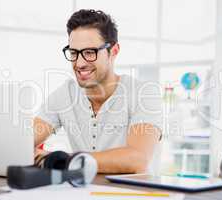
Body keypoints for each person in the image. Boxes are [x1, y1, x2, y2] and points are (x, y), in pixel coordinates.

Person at [34, 9, 162, 174]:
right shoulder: (65, 94)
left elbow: (137, 159)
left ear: (113, 51)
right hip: (84, 192)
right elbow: (23, 141)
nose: (79, 63)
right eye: (74, 53)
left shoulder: (144, 93)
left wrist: (63, 160)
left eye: (89, 52)